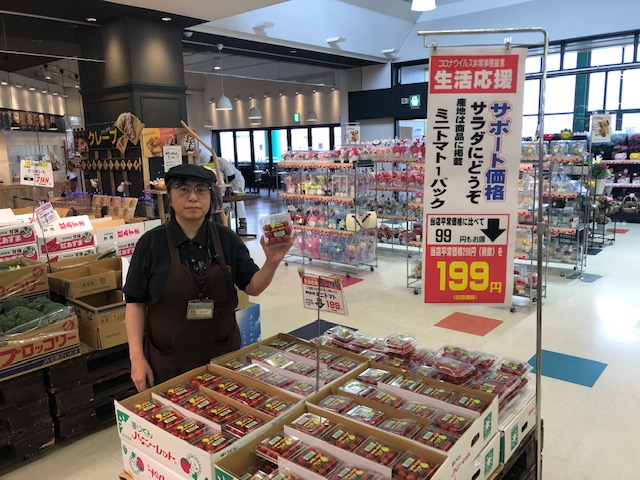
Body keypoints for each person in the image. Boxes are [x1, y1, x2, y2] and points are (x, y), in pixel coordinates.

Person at [123, 163, 292, 392]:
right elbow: (135, 302)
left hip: (224, 357)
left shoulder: (227, 239)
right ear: (170, 196)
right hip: (169, 362)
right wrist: (136, 358)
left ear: (211, 197)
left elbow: (252, 287)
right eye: (183, 189)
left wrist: (272, 262)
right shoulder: (151, 244)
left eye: (201, 189)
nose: (193, 197)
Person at [201, 157, 248, 234]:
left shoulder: (221, 161)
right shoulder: (212, 165)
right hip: (228, 183)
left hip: (237, 182)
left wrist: (224, 185)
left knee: (238, 201)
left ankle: (243, 222)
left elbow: (231, 176)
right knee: (231, 203)